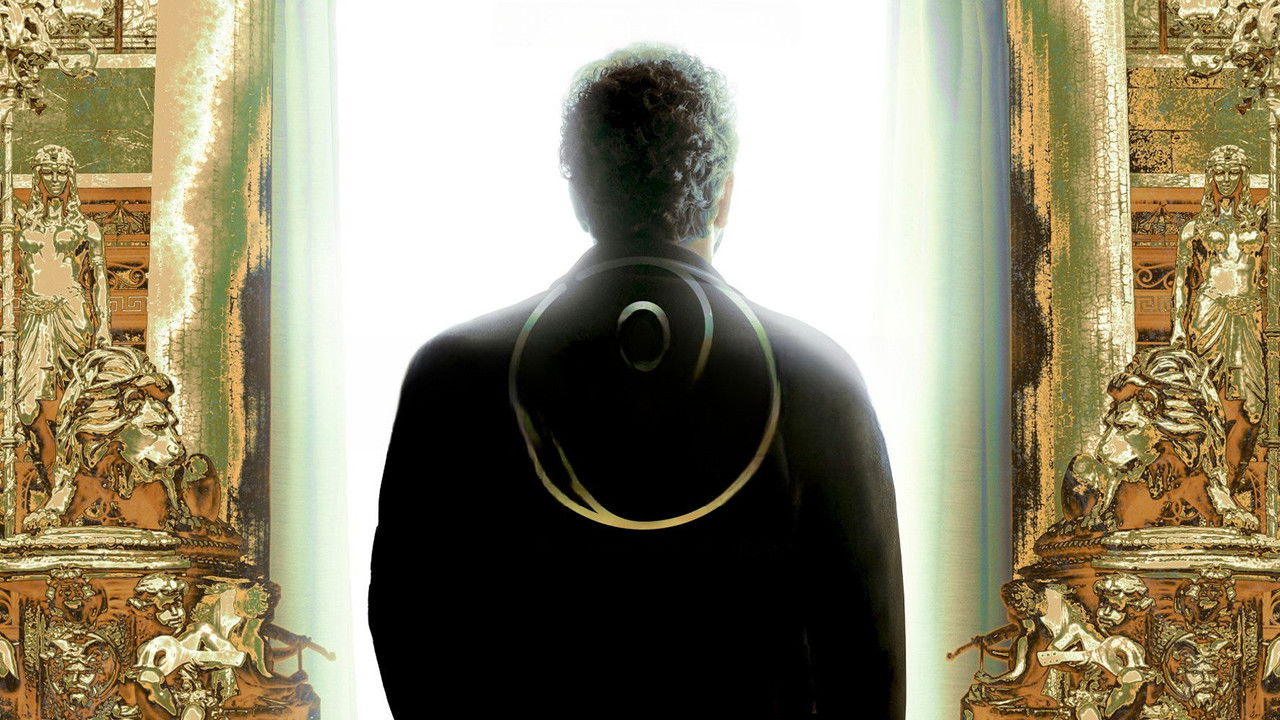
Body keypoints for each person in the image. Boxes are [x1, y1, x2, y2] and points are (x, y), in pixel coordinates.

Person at [370, 45, 905, 719]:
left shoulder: (450, 371)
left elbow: (410, 633)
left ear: (580, 194)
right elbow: (866, 662)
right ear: (724, 198)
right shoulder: (820, 377)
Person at [1170, 144, 1265, 485]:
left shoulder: (1261, 226)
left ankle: (1234, 477)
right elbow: (1181, 282)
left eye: (1233, 172)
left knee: (1254, 408)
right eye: (1220, 173)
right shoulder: (1194, 228)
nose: (1226, 179)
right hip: (1208, 316)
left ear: (1243, 176)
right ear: (1210, 177)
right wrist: (1177, 327)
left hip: (1249, 317)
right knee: (1205, 401)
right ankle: (1209, 479)